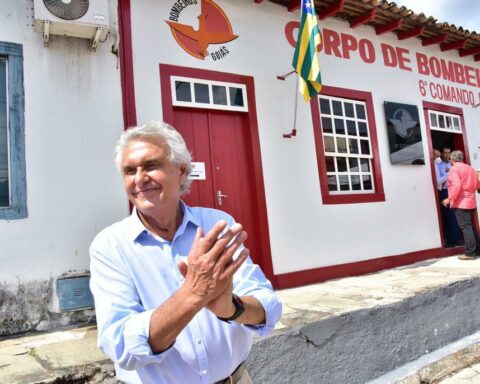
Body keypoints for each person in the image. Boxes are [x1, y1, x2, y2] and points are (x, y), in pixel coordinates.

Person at [89, 121, 282, 383]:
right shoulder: (110, 246)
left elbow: (267, 307)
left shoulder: (215, 224)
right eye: (129, 170)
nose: (139, 179)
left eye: (151, 165)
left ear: (181, 171)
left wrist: (231, 308)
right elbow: (121, 346)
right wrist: (192, 294)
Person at [442, 150, 480, 260]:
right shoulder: (470, 168)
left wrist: (449, 199)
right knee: (471, 227)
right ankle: (477, 250)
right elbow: (477, 184)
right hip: (471, 201)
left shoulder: (454, 169)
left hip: (461, 202)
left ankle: (469, 253)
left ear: (452, 159)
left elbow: (456, 186)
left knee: (466, 228)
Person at [436, 147, 461, 247]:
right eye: (445, 153)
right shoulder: (438, 165)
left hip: (455, 190)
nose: (447, 154)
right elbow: (439, 180)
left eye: (448, 153)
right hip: (445, 191)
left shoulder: (454, 164)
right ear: (442, 154)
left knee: (456, 215)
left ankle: (456, 239)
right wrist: (448, 172)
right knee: (448, 216)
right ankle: (451, 239)